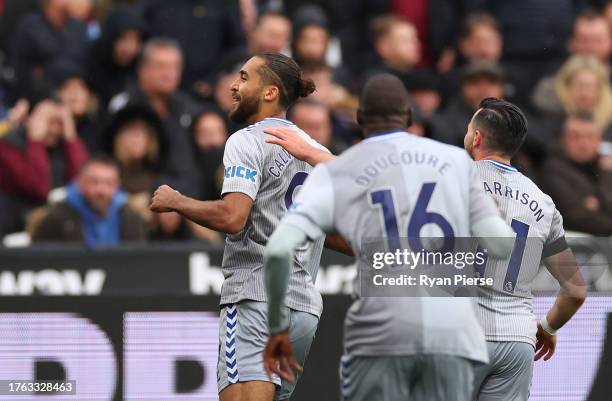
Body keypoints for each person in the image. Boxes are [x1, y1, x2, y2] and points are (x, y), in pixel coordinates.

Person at [262, 74, 515, 401]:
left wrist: (278, 326)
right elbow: (502, 245)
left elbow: (279, 250)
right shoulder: (456, 162)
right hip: (454, 335)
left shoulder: (336, 170)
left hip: (380, 334)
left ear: (359, 119)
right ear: (409, 117)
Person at [149, 52, 333, 401]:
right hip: (303, 310)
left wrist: (176, 201)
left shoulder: (245, 140)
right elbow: (336, 234)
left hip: (256, 299)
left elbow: (234, 217)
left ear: (270, 92)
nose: (234, 86)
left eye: (245, 78)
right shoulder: (315, 151)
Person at [463, 98, 587, 401]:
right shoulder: (542, 202)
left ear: (476, 137)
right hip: (516, 340)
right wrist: (547, 327)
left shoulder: (453, 182)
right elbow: (575, 290)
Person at [109, 37, 199, 196]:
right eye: (161, 66)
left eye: (175, 67)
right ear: (142, 70)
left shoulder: (189, 108)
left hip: (185, 195)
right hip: (136, 195)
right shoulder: (124, 106)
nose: (168, 74)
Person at [32, 156, 147, 248]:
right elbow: (43, 260)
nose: (101, 190)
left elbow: (137, 260)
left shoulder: (130, 217)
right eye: (94, 182)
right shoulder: (56, 217)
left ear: (117, 185)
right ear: (80, 183)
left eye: (109, 183)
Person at [539, 114, 612, 235]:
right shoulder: (552, 170)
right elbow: (576, 216)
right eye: (575, 137)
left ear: (599, 141)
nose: (583, 144)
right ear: (563, 140)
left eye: (590, 137)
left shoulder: (606, 169)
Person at [10, 0, 89, 100]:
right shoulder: (30, 27)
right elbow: (26, 75)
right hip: (36, 101)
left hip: (76, 100)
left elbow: (84, 68)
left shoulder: (79, 27)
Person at [85, 4, 147, 107]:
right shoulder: (88, 69)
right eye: (124, 39)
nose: (130, 48)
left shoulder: (140, 75)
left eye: (136, 41)